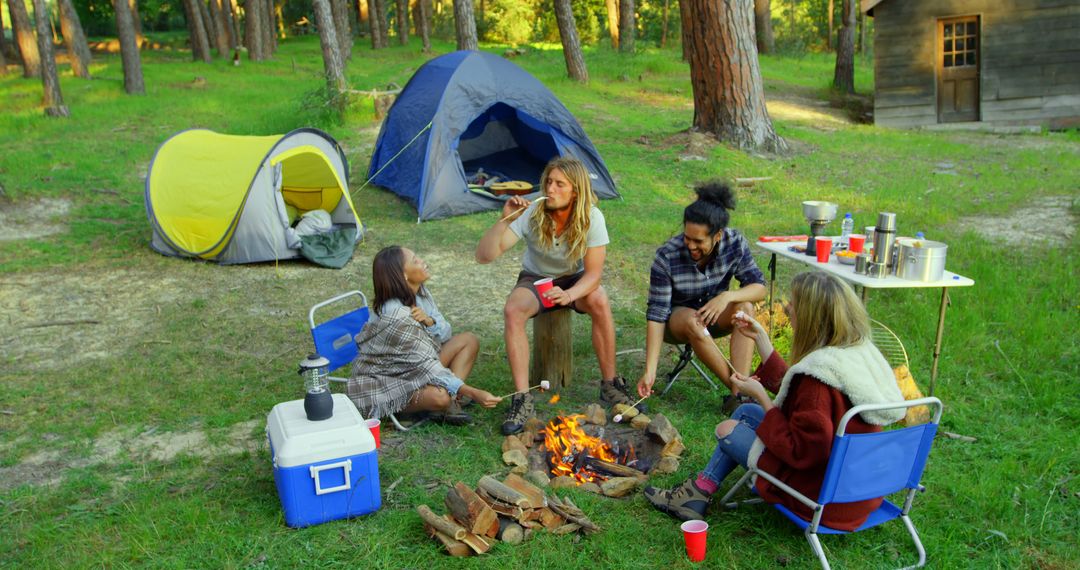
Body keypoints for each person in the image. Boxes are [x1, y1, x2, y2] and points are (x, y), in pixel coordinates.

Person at [643, 272, 906, 530]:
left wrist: (760, 395)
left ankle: (695, 495)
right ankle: (699, 491)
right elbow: (801, 395)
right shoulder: (856, 353)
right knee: (746, 411)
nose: (788, 307)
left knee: (728, 430)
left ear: (812, 317)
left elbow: (800, 450)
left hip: (821, 497)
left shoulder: (818, 379)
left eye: (794, 303)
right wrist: (761, 340)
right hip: (858, 489)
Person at [475, 156, 629, 435]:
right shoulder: (532, 211)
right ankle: (522, 398)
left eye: (560, 184)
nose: (551, 189)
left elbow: (594, 275)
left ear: (576, 191)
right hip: (537, 278)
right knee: (513, 310)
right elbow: (485, 256)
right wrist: (504, 220)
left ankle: (611, 385)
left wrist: (569, 295)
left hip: (576, 278)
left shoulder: (592, 217)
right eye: (548, 181)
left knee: (599, 299)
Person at [636, 181, 767, 408]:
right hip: (677, 323)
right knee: (693, 321)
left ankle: (738, 398)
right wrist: (650, 370)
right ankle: (743, 394)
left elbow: (759, 288)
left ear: (717, 236)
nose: (691, 246)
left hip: (714, 315)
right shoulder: (667, 256)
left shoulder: (734, 243)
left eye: (698, 241)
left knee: (745, 308)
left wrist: (727, 297)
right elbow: (656, 315)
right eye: (687, 238)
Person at [347, 246, 501, 424]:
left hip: (416, 366)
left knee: (468, 340)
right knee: (440, 397)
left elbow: (445, 334)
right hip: (391, 378)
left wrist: (430, 322)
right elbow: (424, 365)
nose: (423, 261)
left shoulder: (421, 293)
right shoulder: (395, 314)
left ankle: (449, 400)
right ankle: (443, 402)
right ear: (403, 275)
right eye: (415, 261)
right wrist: (472, 392)